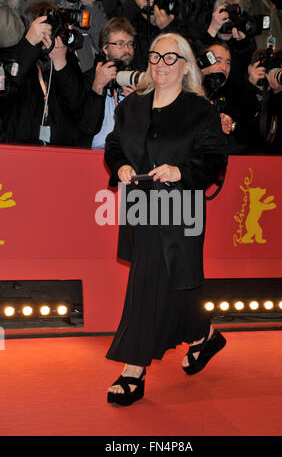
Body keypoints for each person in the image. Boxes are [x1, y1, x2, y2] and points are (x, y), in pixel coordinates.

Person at [104, 32, 228, 406]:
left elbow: (213, 159)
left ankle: (133, 369)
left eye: (170, 58)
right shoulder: (132, 106)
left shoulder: (199, 110)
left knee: (147, 281)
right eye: (155, 56)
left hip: (180, 209)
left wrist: (180, 171)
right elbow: (114, 144)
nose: (160, 64)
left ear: (186, 65)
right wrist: (122, 165)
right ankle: (204, 335)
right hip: (142, 207)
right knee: (175, 283)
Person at [1, 1, 87, 147]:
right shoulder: (12, 56)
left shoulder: (67, 59)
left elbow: (77, 105)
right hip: (17, 148)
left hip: (59, 150)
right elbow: (6, 90)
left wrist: (61, 63)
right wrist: (29, 44)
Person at [79, 17, 137, 149]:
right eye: (120, 44)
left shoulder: (138, 79)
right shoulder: (88, 78)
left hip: (127, 152)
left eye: (130, 44)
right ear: (105, 48)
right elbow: (86, 127)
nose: (127, 50)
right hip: (93, 152)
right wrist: (97, 88)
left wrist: (137, 105)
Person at [19, 0, 108, 72]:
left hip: (82, 78)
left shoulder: (92, 9)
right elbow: (25, 10)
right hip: (51, 76)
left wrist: (91, 6)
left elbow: (106, 45)